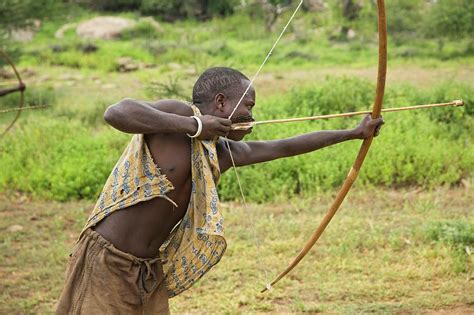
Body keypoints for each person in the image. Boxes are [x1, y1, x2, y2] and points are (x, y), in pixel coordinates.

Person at [56, 67, 383, 314]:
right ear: (222, 102)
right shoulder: (178, 117)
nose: (251, 117)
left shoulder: (221, 152)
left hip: (148, 270)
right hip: (107, 261)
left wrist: (354, 132)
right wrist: (194, 126)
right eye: (248, 107)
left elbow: (283, 146)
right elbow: (117, 112)